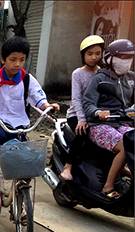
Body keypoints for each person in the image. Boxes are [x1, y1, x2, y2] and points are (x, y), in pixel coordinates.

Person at [0, 36, 60, 191]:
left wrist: (48, 106)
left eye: (22, 60)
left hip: (19, 124)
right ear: (3, 59)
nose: (17, 64)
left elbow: (39, 99)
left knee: (21, 152)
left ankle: (20, 195)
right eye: (13, 59)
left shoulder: (27, 80)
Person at [83, 38, 134, 200]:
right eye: (121, 57)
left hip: (121, 122)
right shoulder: (100, 79)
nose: (126, 61)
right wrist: (98, 112)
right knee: (125, 146)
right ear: (110, 58)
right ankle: (108, 186)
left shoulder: (130, 78)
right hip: (99, 125)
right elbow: (87, 104)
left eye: (129, 57)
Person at [61, 35, 105, 181]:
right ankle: (68, 166)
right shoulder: (78, 74)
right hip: (76, 114)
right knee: (82, 133)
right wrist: (81, 119)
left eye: (97, 53)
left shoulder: (103, 73)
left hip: (96, 114)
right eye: (90, 54)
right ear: (83, 55)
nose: (94, 57)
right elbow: (76, 99)